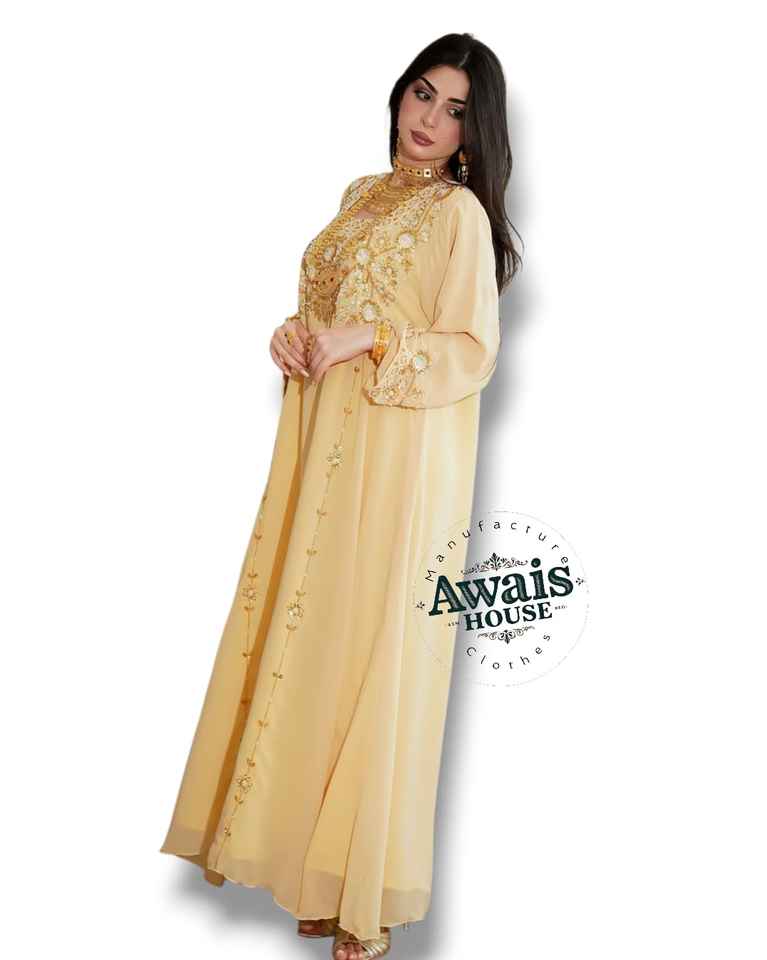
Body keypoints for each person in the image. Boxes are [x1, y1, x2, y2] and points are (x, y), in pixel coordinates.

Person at [159, 31, 521, 960]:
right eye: (422, 94)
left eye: (454, 110)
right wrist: (293, 334)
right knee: (310, 632)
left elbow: (470, 351)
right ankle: (314, 872)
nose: (429, 120)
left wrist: (368, 340)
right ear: (399, 94)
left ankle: (363, 892)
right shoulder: (361, 196)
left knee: (369, 644)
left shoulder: (457, 216)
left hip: (395, 459)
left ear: (475, 131)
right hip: (321, 444)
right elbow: (327, 309)